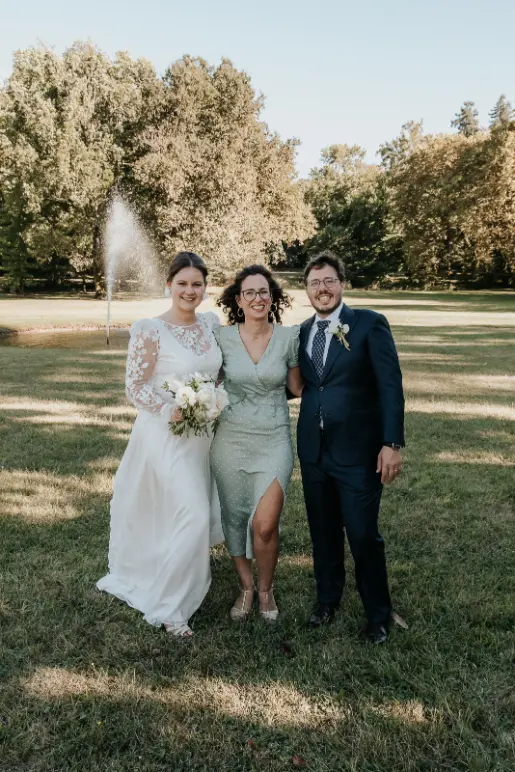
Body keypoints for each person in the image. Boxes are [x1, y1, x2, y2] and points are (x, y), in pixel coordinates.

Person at [97, 252, 223, 638]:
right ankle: (172, 609)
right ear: (169, 284)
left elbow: (218, 376)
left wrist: (213, 399)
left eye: (197, 284)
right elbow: (134, 387)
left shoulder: (211, 323)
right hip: (164, 437)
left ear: (205, 287)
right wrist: (174, 409)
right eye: (182, 283)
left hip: (202, 438)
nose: (190, 290)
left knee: (182, 514)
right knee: (194, 514)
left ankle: (172, 574)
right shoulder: (150, 329)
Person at [297, 251, 405, 644]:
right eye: (314, 283)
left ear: (342, 284)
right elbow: (304, 385)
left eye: (328, 281)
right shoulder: (303, 332)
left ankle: (377, 615)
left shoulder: (369, 325)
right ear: (306, 290)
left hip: (359, 453)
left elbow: (391, 387)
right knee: (322, 533)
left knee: (362, 535)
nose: (322, 289)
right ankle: (327, 601)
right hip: (314, 451)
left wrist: (391, 443)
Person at [210, 265, 303, 622]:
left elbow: (298, 388)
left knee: (265, 524)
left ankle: (266, 590)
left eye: (263, 291)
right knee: (234, 517)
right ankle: (246, 586)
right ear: (238, 300)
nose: (257, 298)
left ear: (273, 297)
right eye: (249, 292)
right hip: (230, 439)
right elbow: (206, 379)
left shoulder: (288, 338)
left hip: (273, 438)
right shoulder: (222, 338)